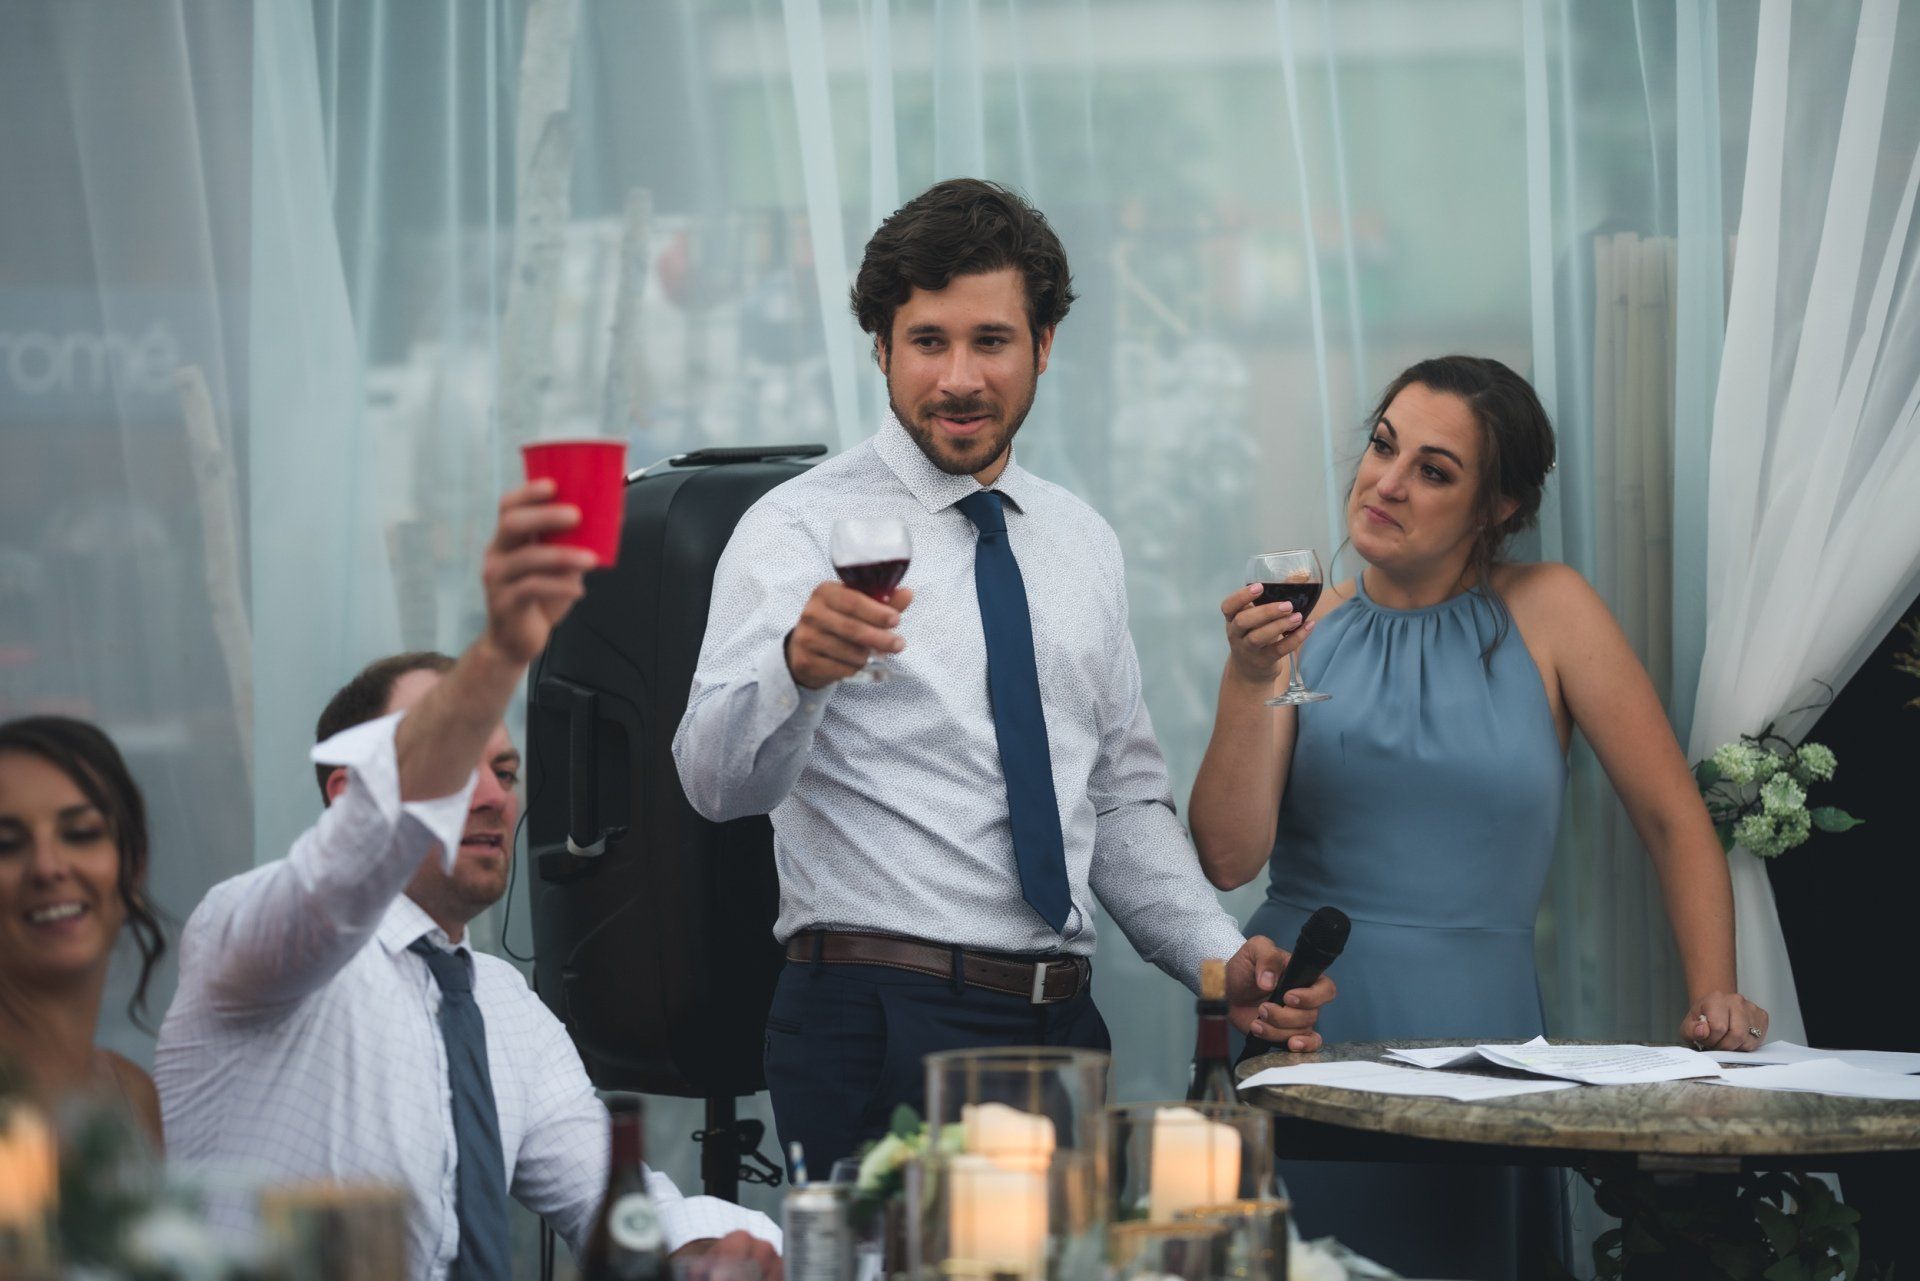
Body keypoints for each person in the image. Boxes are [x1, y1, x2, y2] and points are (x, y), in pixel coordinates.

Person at [673, 178, 1335, 1175]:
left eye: (990, 341)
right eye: (928, 341)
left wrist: (1217, 955)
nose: (958, 378)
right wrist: (794, 672)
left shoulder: (1080, 541)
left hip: (1062, 1030)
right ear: (883, 349)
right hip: (875, 1018)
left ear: (1044, 347)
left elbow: (1117, 804)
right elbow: (715, 786)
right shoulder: (797, 530)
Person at [1187, 354, 1768, 1279]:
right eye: (1384, 447)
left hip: (1484, 1035)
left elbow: (1669, 817)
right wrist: (1248, 680)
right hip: (1303, 1021)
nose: (1386, 482)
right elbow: (1226, 857)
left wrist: (1716, 991)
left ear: (1498, 507)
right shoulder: (1304, 631)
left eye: (1434, 469)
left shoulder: (1555, 612)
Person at [157, 481, 780, 1281]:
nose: (492, 796)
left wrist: (712, 1247)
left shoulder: (499, 1004)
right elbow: (337, 878)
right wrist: (500, 652)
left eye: (506, 768)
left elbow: (614, 1199)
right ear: (348, 795)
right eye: (455, 768)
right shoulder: (253, 941)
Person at [0, 715, 166, 1147]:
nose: (48, 867)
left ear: (134, 866)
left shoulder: (131, 1096)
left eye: (81, 833)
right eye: (6, 844)